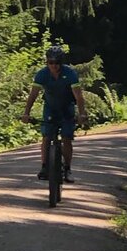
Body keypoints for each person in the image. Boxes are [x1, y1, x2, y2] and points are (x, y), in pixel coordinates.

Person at [21, 45, 87, 183]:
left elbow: (79, 97)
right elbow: (33, 95)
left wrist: (82, 114)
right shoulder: (42, 74)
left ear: (61, 63)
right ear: (47, 62)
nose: (54, 66)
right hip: (50, 108)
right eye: (50, 62)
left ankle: (67, 169)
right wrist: (26, 113)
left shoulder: (70, 73)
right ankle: (44, 167)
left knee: (66, 138)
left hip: (67, 108)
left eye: (57, 63)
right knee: (46, 136)